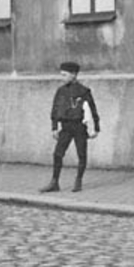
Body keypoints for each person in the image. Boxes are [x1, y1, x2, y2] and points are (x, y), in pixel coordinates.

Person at [41, 61, 101, 193]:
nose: (63, 78)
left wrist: (96, 127)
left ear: (74, 75)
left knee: (81, 154)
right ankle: (54, 182)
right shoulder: (61, 91)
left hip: (79, 126)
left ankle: (78, 180)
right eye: (62, 75)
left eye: (65, 75)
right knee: (57, 154)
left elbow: (92, 109)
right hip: (66, 127)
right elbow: (55, 109)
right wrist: (54, 127)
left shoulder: (84, 91)